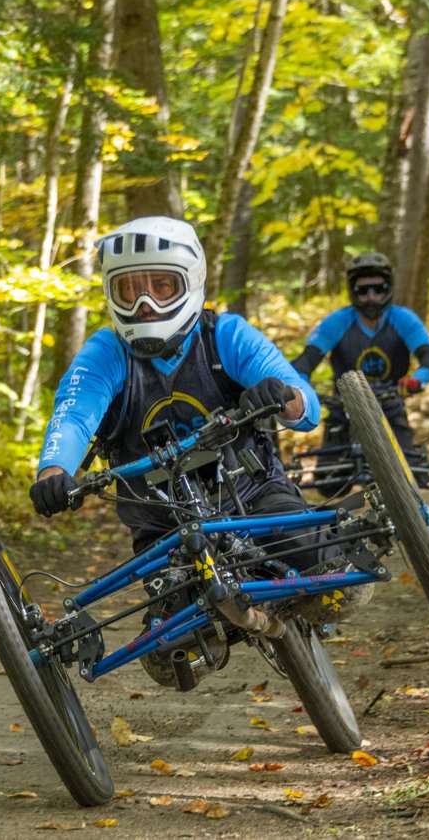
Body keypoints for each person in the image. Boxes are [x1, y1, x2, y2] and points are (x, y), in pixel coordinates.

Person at [28, 216, 354, 683]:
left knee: (332, 574)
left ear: (191, 281)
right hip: (166, 535)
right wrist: (53, 471)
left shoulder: (225, 335)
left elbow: (307, 409)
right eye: (129, 291)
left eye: (161, 287)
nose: (144, 305)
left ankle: (294, 600)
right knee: (170, 658)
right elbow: (75, 414)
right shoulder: (105, 353)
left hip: (255, 499)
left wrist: (281, 394)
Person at [289, 252, 429, 471]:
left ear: (388, 288)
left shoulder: (404, 319)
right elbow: (305, 361)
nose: (371, 297)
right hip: (343, 410)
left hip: (391, 407)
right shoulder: (337, 322)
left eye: (378, 289)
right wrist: (301, 387)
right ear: (353, 291)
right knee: (328, 482)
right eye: (362, 291)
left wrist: (416, 380)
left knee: (412, 477)